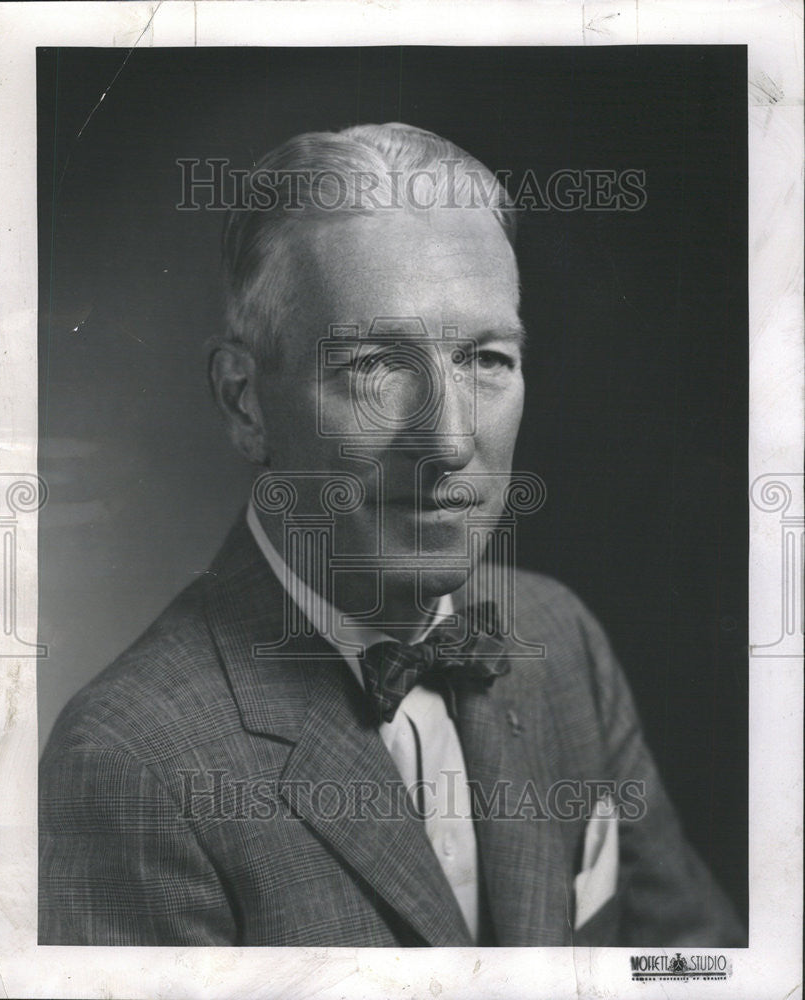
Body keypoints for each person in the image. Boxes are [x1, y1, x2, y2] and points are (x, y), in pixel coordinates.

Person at [39, 122, 745, 947]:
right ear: (244, 401)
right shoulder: (129, 764)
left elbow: (696, 963)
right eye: (374, 366)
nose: (448, 443)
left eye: (485, 359)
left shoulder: (562, 640)